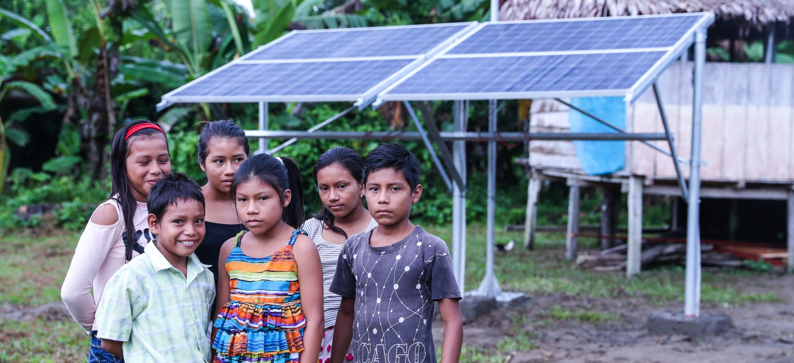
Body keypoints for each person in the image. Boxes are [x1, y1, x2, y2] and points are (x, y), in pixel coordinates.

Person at [329, 143, 463, 363]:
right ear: (363, 190)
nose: (383, 198)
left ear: (415, 193)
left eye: (394, 188)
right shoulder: (353, 248)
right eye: (374, 189)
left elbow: (452, 321)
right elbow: (346, 314)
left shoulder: (430, 249)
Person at [61, 120, 170, 362]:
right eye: (144, 162)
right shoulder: (112, 213)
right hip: (118, 345)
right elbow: (72, 292)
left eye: (163, 160)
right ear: (122, 165)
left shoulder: (172, 210)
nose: (156, 169)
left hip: (160, 340)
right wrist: (101, 330)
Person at [212, 153, 323, 363]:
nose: (251, 209)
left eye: (262, 198)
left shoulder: (300, 248)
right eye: (242, 200)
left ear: (285, 197)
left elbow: (315, 320)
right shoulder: (229, 250)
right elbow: (222, 316)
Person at [95, 172, 215, 362]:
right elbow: (109, 341)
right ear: (154, 223)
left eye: (198, 221)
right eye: (178, 221)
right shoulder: (130, 279)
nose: (191, 231)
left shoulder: (205, 276)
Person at [302, 147, 377, 362]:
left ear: (362, 186)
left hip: (366, 335)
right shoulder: (311, 230)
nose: (332, 196)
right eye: (324, 188)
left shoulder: (379, 228)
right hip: (317, 335)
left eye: (341, 186)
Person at [195, 121, 249, 307]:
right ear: (203, 163)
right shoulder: (189, 205)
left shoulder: (260, 206)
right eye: (219, 161)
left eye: (237, 159)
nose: (230, 170)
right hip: (196, 313)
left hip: (250, 316)